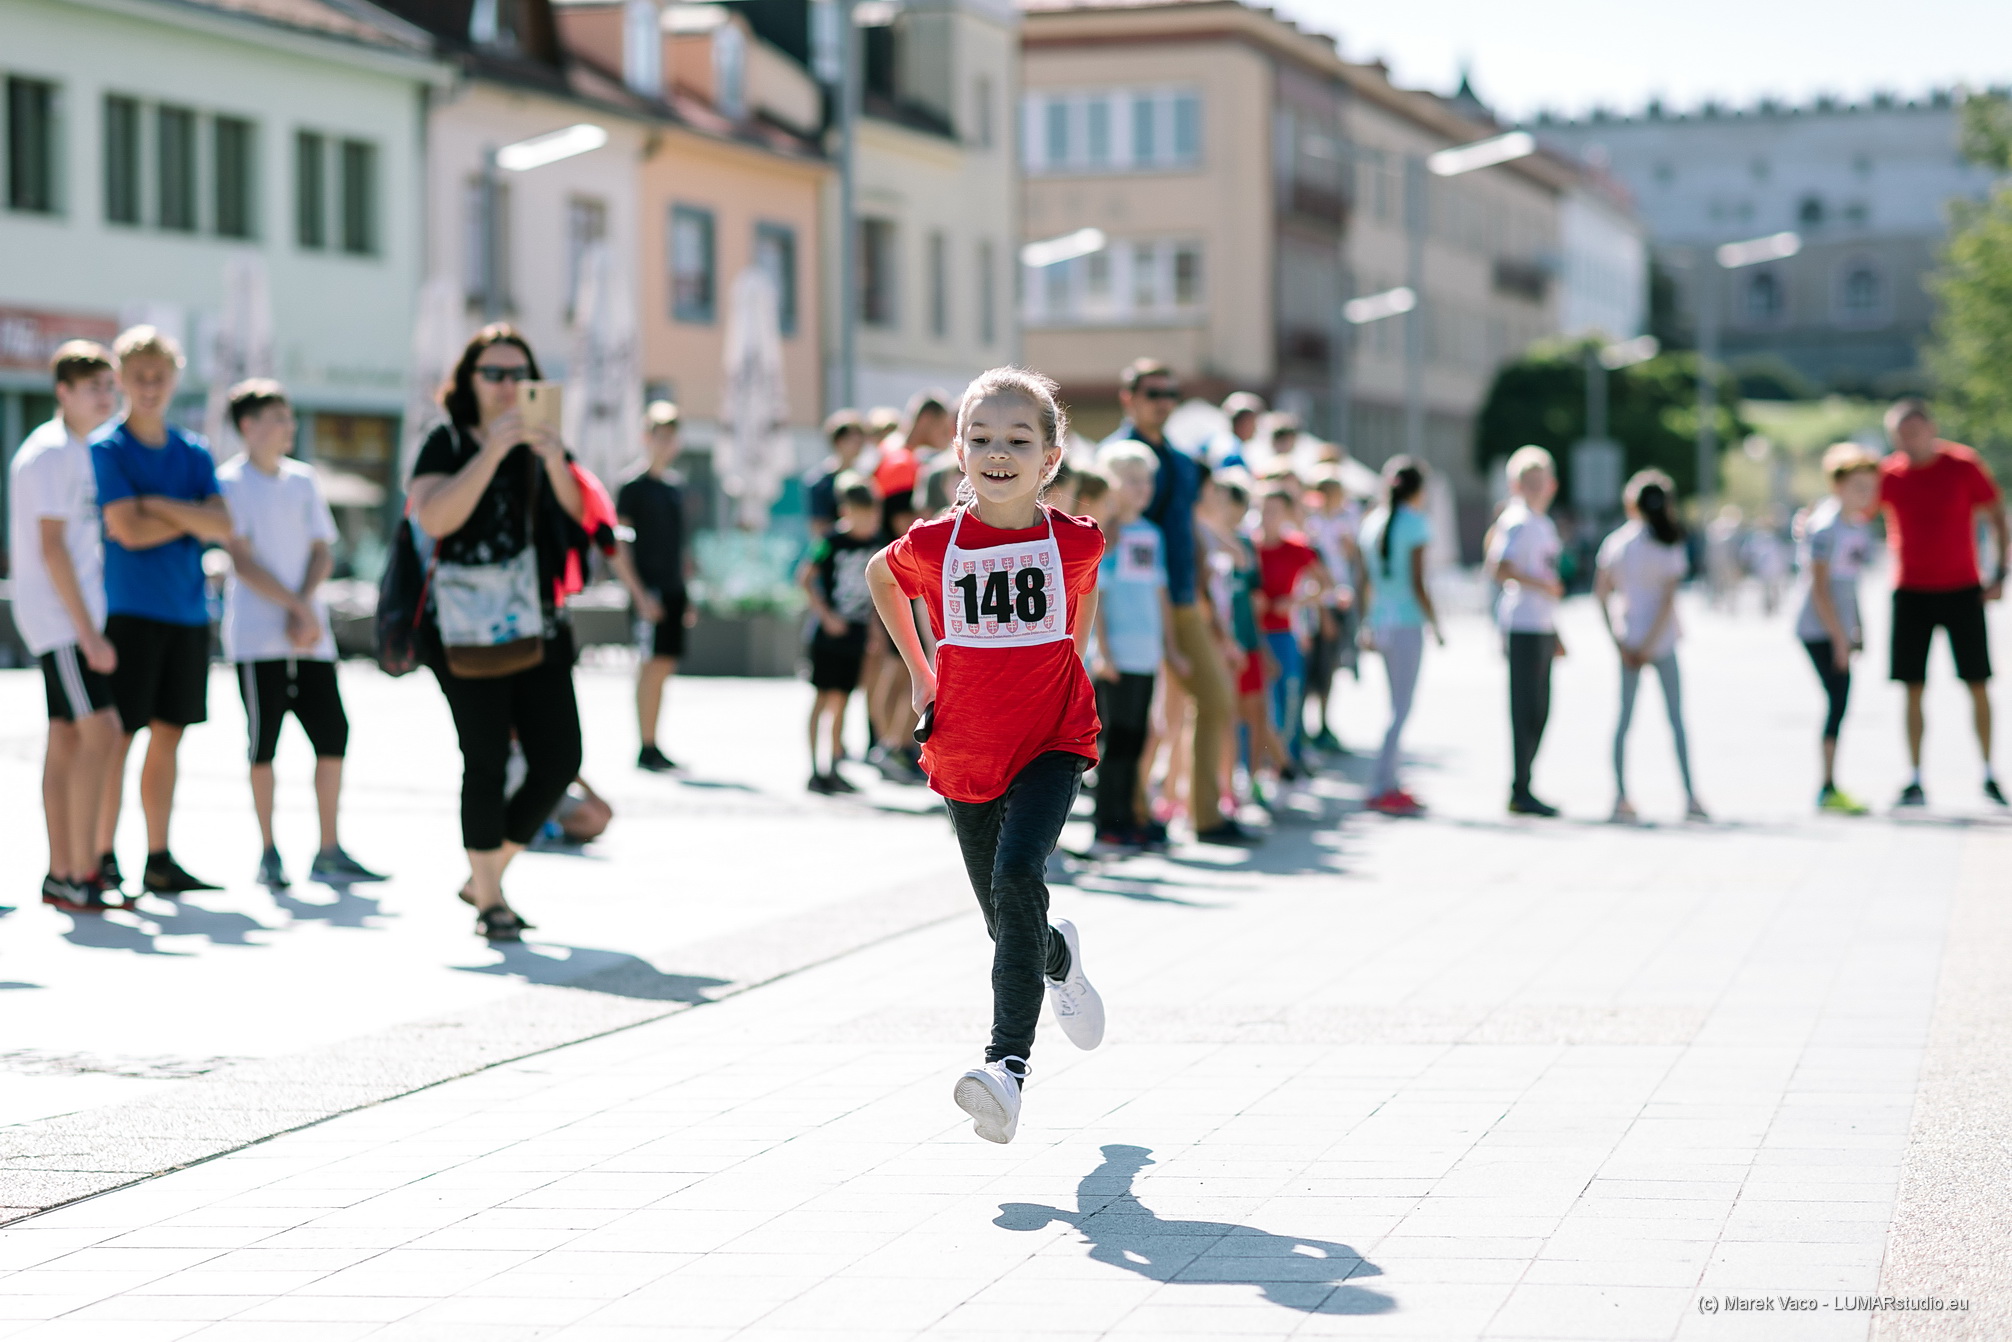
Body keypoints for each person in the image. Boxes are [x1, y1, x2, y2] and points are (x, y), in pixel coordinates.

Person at [865, 366, 1107, 1145]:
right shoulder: (936, 545)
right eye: (980, 438)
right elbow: (880, 575)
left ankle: (1005, 1070)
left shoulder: (1073, 541)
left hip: (1051, 741)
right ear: (960, 452)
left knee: (1015, 878)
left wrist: (1074, 655)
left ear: (1050, 459)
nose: (996, 452)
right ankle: (1055, 953)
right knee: (1008, 923)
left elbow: (1085, 590)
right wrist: (919, 666)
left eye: (1017, 439)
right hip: (966, 749)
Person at [408, 324, 588, 942]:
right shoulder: (447, 441)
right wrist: (491, 453)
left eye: (519, 374)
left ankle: (484, 874)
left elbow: (580, 518)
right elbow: (433, 516)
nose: (508, 385)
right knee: (483, 759)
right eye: (495, 373)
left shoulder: (546, 441)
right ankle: (491, 901)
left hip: (538, 624)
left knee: (560, 757)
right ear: (470, 381)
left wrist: (550, 458)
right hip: (461, 630)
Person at [215, 379, 382, 887]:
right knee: (263, 744)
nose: (289, 427)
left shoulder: (304, 480)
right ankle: (269, 851)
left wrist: (305, 609)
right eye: (278, 418)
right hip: (257, 638)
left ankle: (328, 848)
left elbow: (322, 549)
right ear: (249, 425)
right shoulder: (228, 483)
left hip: (311, 638)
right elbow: (240, 559)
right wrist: (294, 606)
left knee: (333, 736)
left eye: (289, 417)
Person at [93, 326, 235, 895]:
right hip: (129, 611)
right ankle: (103, 853)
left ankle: (158, 856)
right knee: (121, 736)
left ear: (174, 379)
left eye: (160, 377)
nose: (150, 387)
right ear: (122, 380)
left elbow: (223, 525)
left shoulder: (194, 451)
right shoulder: (108, 448)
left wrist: (155, 504)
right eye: (139, 377)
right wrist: (186, 516)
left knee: (170, 735)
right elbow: (126, 530)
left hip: (187, 612)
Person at [1105, 359, 1248, 843]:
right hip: (1125, 605)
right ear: (1129, 397)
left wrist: (1207, 580)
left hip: (1181, 599)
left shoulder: (1185, 461)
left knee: (1216, 700)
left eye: (1170, 393)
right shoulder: (1114, 458)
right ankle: (1131, 815)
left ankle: (1205, 815)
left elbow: (1190, 526)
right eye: (1152, 393)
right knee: (1137, 720)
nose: (1163, 402)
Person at [10, 341, 124, 912]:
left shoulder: (84, 449)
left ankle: (62, 873)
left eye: (110, 386)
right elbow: (52, 550)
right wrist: (90, 633)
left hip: (71, 619)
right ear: (63, 392)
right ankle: (82, 869)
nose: (105, 396)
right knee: (102, 731)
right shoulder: (52, 452)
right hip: (59, 620)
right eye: (93, 387)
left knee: (68, 739)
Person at [1877, 398, 2009, 808]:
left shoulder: (1962, 464)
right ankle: (1915, 777)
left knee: (1977, 682)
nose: (1910, 440)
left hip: (1962, 588)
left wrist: (2000, 572)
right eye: (1902, 434)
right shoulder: (1889, 475)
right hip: (1910, 590)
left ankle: (1988, 772)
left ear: (1931, 428)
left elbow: (1995, 515)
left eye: (1916, 430)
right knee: (1912, 686)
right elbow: (1858, 512)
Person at [1087, 444, 1185, 853]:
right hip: (1116, 653)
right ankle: (1107, 824)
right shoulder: (1104, 536)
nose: (1142, 488)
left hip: (1146, 651)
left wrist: (1171, 646)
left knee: (1138, 736)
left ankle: (1129, 817)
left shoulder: (1151, 533)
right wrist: (1103, 650)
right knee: (1117, 739)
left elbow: (1159, 592)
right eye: (1132, 480)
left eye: (1146, 480)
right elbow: (1099, 597)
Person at [1595, 470, 1705, 824]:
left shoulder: (1618, 543)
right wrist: (1650, 643)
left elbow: (1601, 594)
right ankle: (1689, 796)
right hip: (1662, 640)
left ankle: (1620, 795)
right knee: (1676, 720)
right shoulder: (1669, 543)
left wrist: (1620, 641)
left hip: (1629, 639)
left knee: (1623, 720)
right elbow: (1667, 601)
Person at [1795, 444, 1881, 815]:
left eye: (1870, 487)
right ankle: (1827, 787)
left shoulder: (1856, 526)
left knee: (1841, 700)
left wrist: (1858, 627)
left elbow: (1852, 583)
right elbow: (1820, 588)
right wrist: (1838, 639)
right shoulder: (1825, 526)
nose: (1865, 494)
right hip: (1819, 629)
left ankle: (1831, 784)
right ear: (1839, 486)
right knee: (1838, 699)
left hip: (1841, 629)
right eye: (1858, 486)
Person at [1358, 457, 1441, 816]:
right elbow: (1418, 581)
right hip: (1406, 623)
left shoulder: (1371, 523)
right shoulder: (1416, 524)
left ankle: (1390, 779)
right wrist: (1436, 623)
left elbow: (1365, 583)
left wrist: (1365, 623)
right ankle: (1382, 784)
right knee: (1401, 708)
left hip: (1380, 622)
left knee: (1395, 705)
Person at [613, 401, 693, 772]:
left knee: (663, 666)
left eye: (671, 436)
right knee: (648, 666)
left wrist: (687, 593)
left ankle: (654, 743)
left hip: (673, 589)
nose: (665, 443)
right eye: (659, 435)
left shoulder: (674, 487)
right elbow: (620, 547)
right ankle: (644, 746)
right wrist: (639, 594)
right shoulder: (632, 486)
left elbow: (680, 546)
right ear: (647, 437)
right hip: (649, 591)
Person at [1487, 445, 1565, 817]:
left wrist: (1557, 631)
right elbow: (1500, 567)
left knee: (1541, 709)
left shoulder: (1542, 522)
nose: (1536, 487)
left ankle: (1526, 781)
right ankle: (1520, 787)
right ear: (1516, 484)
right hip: (1522, 624)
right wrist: (1540, 586)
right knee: (1527, 709)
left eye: (1541, 481)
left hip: (1542, 625)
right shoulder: (1517, 520)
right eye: (1528, 481)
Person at [800, 479, 881, 793]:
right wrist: (827, 616)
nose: (869, 522)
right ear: (847, 512)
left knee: (844, 700)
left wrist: (875, 627)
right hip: (828, 633)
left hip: (857, 633)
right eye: (862, 515)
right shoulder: (829, 541)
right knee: (823, 698)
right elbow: (805, 579)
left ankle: (834, 764)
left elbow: (880, 592)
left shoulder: (876, 542)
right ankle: (814, 768)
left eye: (872, 515)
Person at [1251, 486, 1332, 774]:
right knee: (1257, 704)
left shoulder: (1296, 548)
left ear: (1285, 514)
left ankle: (1287, 763)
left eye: (1273, 510)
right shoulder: (1248, 547)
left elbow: (1327, 584)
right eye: (1262, 509)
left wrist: (1296, 601)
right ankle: (1259, 766)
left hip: (1284, 635)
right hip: (1252, 637)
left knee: (1289, 700)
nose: (1266, 516)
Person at [1301, 470, 1364, 754]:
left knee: (1330, 667)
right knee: (1314, 667)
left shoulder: (1343, 522)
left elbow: (1352, 560)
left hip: (1338, 602)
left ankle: (1323, 724)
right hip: (1318, 605)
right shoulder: (1310, 525)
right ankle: (1304, 727)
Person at [806, 410, 866, 538]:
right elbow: (818, 528)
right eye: (854, 440)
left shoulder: (866, 479)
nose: (859, 445)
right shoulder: (819, 482)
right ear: (839, 442)